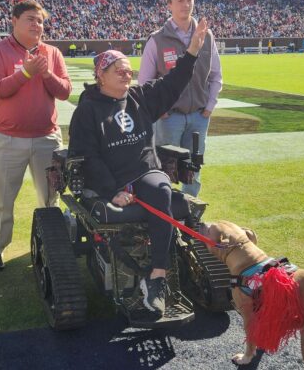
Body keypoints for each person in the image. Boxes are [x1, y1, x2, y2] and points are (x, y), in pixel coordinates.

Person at [68, 20, 207, 315]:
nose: (126, 73)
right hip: (113, 180)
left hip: (145, 172)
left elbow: (173, 83)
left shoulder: (139, 98)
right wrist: (112, 191)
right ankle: (153, 275)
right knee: (164, 196)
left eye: (128, 69)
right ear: (100, 76)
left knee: (162, 189)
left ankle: (156, 277)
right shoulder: (88, 110)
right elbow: (87, 155)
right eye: (117, 70)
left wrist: (192, 51)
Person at [0, 0, 72, 271]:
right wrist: (25, 72)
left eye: (40, 20)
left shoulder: (52, 53)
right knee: (2, 198)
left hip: (46, 137)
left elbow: (65, 91)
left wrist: (45, 74)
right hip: (7, 139)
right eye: (30, 19)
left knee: (50, 197)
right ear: (14, 20)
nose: (37, 24)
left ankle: (51, 244)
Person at [138, 0, 222, 198]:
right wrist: (161, 110)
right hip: (169, 118)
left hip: (199, 116)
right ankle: (165, 216)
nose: (186, 4)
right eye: (180, 0)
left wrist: (209, 107)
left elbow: (216, 76)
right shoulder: (157, 39)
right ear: (169, 5)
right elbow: (145, 81)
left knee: (194, 170)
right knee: (164, 169)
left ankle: (190, 217)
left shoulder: (207, 36)